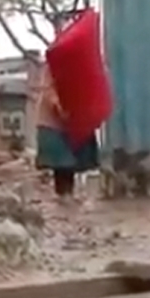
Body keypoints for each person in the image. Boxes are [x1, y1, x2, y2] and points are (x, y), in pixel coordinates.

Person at [34, 62, 99, 203]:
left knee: (72, 160)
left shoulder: (81, 65)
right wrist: (59, 105)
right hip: (52, 121)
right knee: (61, 161)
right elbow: (48, 89)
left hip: (73, 121)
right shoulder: (53, 64)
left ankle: (68, 194)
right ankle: (64, 195)